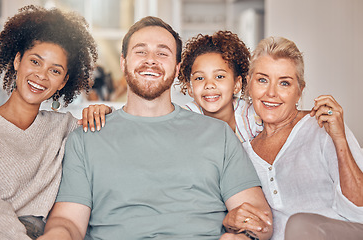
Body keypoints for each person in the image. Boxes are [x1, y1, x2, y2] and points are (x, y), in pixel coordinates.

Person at [39, 16, 273, 240]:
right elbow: (68, 222)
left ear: (177, 66)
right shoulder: (85, 137)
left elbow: (259, 220)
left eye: (162, 53)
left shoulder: (219, 134)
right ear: (123, 62)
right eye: (141, 51)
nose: (151, 59)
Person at [0, 5, 110, 240]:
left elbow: (114, 136)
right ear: (17, 61)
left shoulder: (65, 127)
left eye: (55, 71)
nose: (41, 76)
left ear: (63, 82)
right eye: (35, 62)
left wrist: (104, 110)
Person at [229, 36, 363, 240]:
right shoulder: (244, 153)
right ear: (248, 85)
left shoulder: (323, 127)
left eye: (284, 83)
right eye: (262, 80)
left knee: (300, 224)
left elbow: (360, 210)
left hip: (342, 233)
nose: (271, 93)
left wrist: (339, 139)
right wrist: (229, 221)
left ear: (300, 91)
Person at [178, 30, 263, 143]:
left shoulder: (252, 117)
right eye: (199, 78)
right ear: (190, 88)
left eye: (219, 76)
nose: (209, 85)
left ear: (236, 84)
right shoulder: (184, 119)